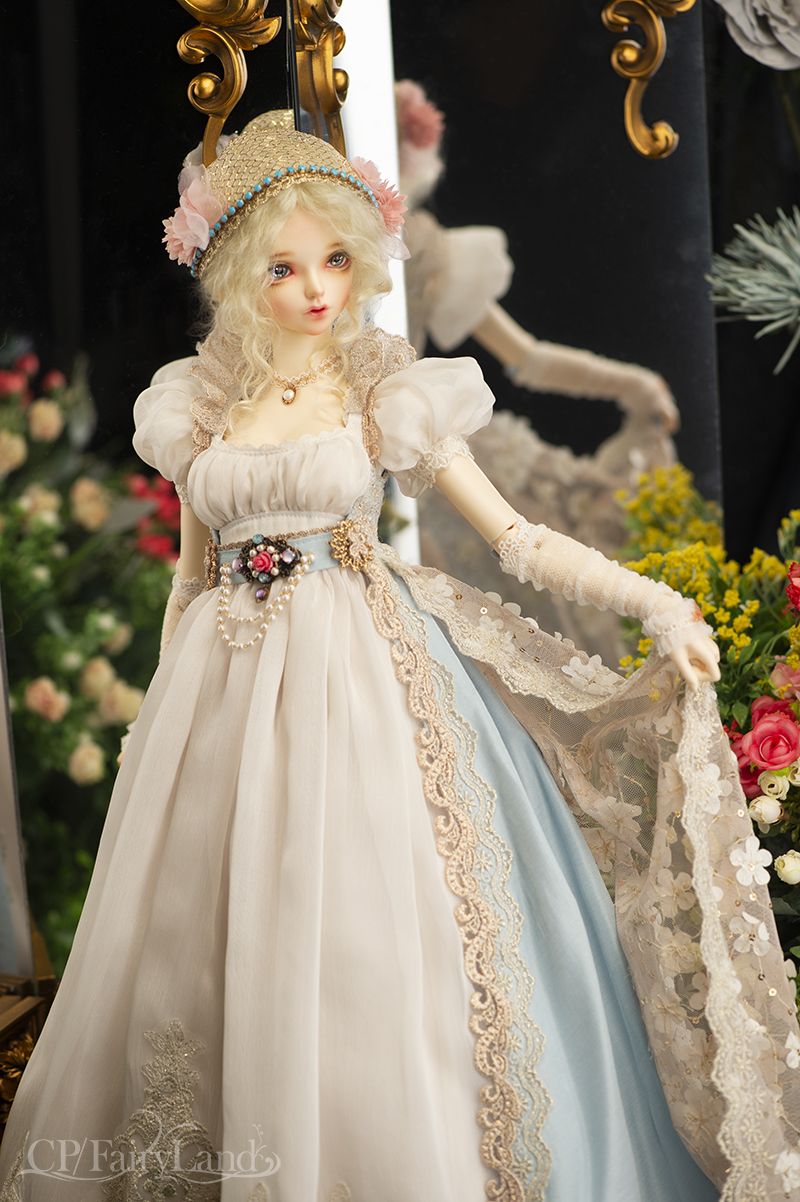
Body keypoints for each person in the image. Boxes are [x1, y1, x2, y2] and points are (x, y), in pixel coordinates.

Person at [0, 113, 797, 1202]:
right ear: (235, 272)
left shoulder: (380, 386)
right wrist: (156, 723)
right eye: (283, 267)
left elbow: (514, 536)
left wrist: (654, 601)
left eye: (334, 260)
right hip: (220, 697)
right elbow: (191, 580)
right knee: (202, 931)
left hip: (361, 687)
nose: (314, 289)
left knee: (376, 928)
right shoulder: (197, 402)